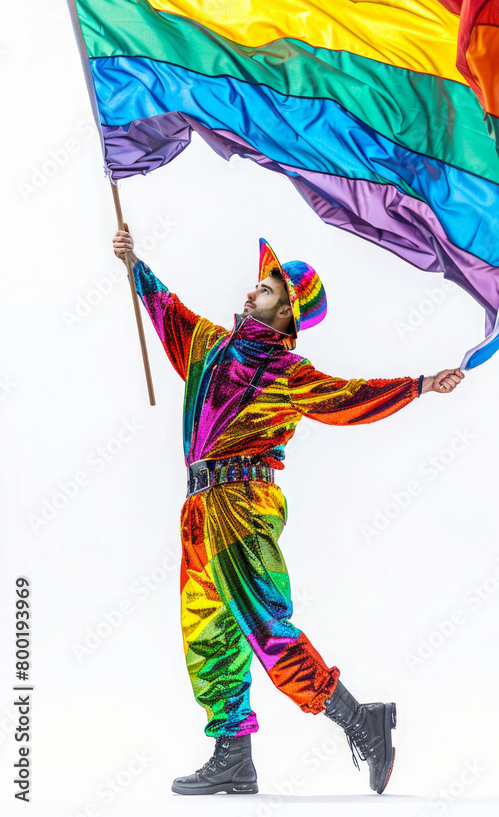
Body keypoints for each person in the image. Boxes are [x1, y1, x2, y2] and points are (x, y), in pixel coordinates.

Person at [112, 225, 464, 796]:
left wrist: (418, 385)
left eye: (268, 292)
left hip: (242, 509)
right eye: (258, 286)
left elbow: (349, 398)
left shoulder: (285, 372)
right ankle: (233, 758)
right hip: (199, 508)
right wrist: (135, 266)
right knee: (209, 631)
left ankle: (363, 723)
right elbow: (168, 311)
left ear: (285, 316)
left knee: (266, 631)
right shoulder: (209, 346)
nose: (253, 293)